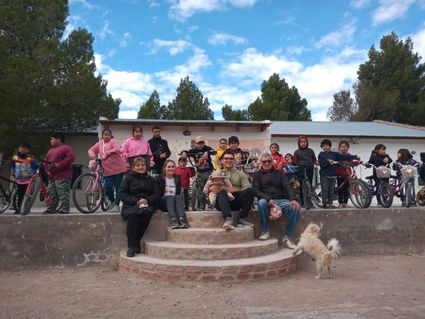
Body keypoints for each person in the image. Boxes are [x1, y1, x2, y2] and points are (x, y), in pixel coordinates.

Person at [252, 152, 300, 247]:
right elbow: (256, 190)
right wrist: (268, 199)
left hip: (280, 200)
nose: (267, 163)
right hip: (265, 200)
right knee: (261, 203)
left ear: (272, 162)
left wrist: (293, 199)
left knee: (295, 207)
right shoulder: (257, 175)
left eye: (269, 161)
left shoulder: (279, 173)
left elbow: (287, 185)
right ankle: (265, 231)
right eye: (264, 161)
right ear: (261, 163)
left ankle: (288, 237)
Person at [119, 157, 160, 257]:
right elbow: (122, 193)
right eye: (138, 165)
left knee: (147, 213)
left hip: (146, 205)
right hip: (131, 205)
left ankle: (136, 241)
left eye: (143, 165)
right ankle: (131, 247)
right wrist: (136, 201)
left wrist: (147, 200)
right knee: (133, 216)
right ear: (133, 167)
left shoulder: (150, 179)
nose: (141, 167)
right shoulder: (128, 178)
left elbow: (157, 193)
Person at [88, 128, 127, 212]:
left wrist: (108, 152)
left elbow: (118, 149)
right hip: (107, 170)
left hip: (118, 169)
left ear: (110, 135)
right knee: (108, 187)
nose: (107, 136)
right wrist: (92, 156)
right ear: (102, 135)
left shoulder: (113, 141)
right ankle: (112, 202)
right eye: (105, 135)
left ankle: (117, 205)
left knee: (118, 187)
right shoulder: (99, 144)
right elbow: (91, 149)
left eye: (108, 135)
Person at [215, 150, 255, 230]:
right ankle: (228, 219)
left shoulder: (240, 174)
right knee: (222, 192)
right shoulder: (216, 173)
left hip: (236, 202)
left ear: (233, 160)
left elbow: (247, 187)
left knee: (250, 191)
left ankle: (242, 218)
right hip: (221, 201)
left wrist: (235, 190)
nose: (228, 160)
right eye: (226, 158)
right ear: (221, 161)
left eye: (231, 159)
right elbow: (209, 188)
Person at [318, 139, 359, 209]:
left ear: (330, 146)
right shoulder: (321, 154)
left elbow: (343, 157)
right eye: (324, 146)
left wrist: (354, 157)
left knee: (331, 190)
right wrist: (328, 161)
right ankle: (325, 203)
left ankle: (330, 203)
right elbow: (322, 164)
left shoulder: (334, 154)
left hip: (333, 175)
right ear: (322, 147)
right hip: (324, 175)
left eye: (327, 145)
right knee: (325, 190)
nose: (325, 147)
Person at [181, 136, 216, 210]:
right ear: (195, 144)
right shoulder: (194, 150)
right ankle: (201, 207)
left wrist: (207, 152)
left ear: (204, 143)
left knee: (211, 188)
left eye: (201, 143)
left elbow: (214, 151)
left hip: (209, 172)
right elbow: (186, 152)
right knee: (201, 190)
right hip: (200, 173)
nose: (200, 145)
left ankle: (211, 204)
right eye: (198, 143)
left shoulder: (207, 148)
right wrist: (184, 153)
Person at [44, 133, 75, 214]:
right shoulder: (50, 151)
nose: (51, 141)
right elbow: (46, 162)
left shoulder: (66, 148)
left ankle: (65, 209)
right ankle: (51, 209)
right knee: (52, 193)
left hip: (63, 175)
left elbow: (70, 158)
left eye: (52, 139)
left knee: (63, 193)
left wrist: (59, 166)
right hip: (52, 176)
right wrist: (47, 171)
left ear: (58, 139)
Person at [156, 159, 189, 229]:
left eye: (172, 167)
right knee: (170, 197)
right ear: (164, 168)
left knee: (178, 196)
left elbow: (177, 192)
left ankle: (181, 219)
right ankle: (173, 220)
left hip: (174, 202)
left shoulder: (177, 179)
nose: (171, 168)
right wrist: (156, 207)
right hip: (164, 202)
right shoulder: (159, 178)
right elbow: (156, 194)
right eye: (169, 167)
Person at [11, 143, 38, 214]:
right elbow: (13, 166)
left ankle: (26, 208)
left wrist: (33, 174)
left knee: (26, 195)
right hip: (19, 180)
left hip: (28, 181)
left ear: (28, 150)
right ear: (18, 149)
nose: (23, 150)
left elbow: (35, 167)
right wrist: (13, 172)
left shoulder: (31, 159)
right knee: (19, 195)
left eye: (25, 148)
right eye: (21, 148)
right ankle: (19, 209)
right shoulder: (15, 158)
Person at [293, 136, 317, 206]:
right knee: (301, 187)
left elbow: (314, 159)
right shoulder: (297, 152)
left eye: (304, 142)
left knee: (309, 186)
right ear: (299, 143)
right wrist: (299, 165)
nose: (303, 143)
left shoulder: (311, 151)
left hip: (310, 169)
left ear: (307, 143)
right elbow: (295, 161)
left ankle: (309, 201)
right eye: (301, 142)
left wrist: (316, 162)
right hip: (301, 170)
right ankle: (303, 202)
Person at [336, 141, 360, 208]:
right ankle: (340, 203)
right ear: (340, 148)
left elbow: (353, 158)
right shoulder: (337, 155)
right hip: (339, 174)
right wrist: (339, 163)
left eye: (345, 147)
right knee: (340, 189)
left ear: (348, 148)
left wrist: (357, 159)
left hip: (347, 174)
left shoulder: (349, 155)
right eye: (342, 147)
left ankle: (345, 203)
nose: (344, 148)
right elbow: (335, 161)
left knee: (346, 189)